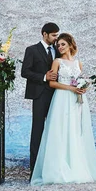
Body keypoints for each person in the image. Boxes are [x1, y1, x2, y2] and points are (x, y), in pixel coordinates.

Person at [30, 33, 96, 185]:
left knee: (76, 130)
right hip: (62, 98)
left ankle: (76, 165)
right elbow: (52, 83)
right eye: (58, 45)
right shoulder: (57, 62)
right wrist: (70, 88)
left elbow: (80, 81)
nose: (60, 47)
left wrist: (82, 88)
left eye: (63, 44)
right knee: (60, 130)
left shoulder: (79, 63)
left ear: (70, 44)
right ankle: (58, 168)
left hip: (77, 100)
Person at [21, 22, 60, 176]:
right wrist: (44, 77)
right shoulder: (31, 50)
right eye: (54, 35)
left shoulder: (58, 50)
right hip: (39, 95)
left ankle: (53, 167)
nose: (56, 38)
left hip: (57, 94)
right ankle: (35, 170)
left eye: (57, 35)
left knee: (55, 130)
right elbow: (25, 72)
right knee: (37, 131)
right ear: (44, 34)